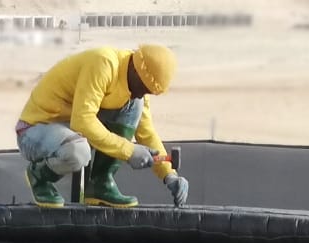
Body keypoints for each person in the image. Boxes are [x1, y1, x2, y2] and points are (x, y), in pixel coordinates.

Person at [17, 43, 190, 210]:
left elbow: (147, 133)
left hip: (69, 130)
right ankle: (38, 176)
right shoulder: (104, 64)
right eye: (144, 88)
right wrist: (129, 150)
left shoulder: (134, 91)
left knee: (133, 106)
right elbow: (82, 121)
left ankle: (101, 183)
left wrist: (169, 175)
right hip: (34, 131)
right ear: (136, 71)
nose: (142, 94)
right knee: (78, 152)